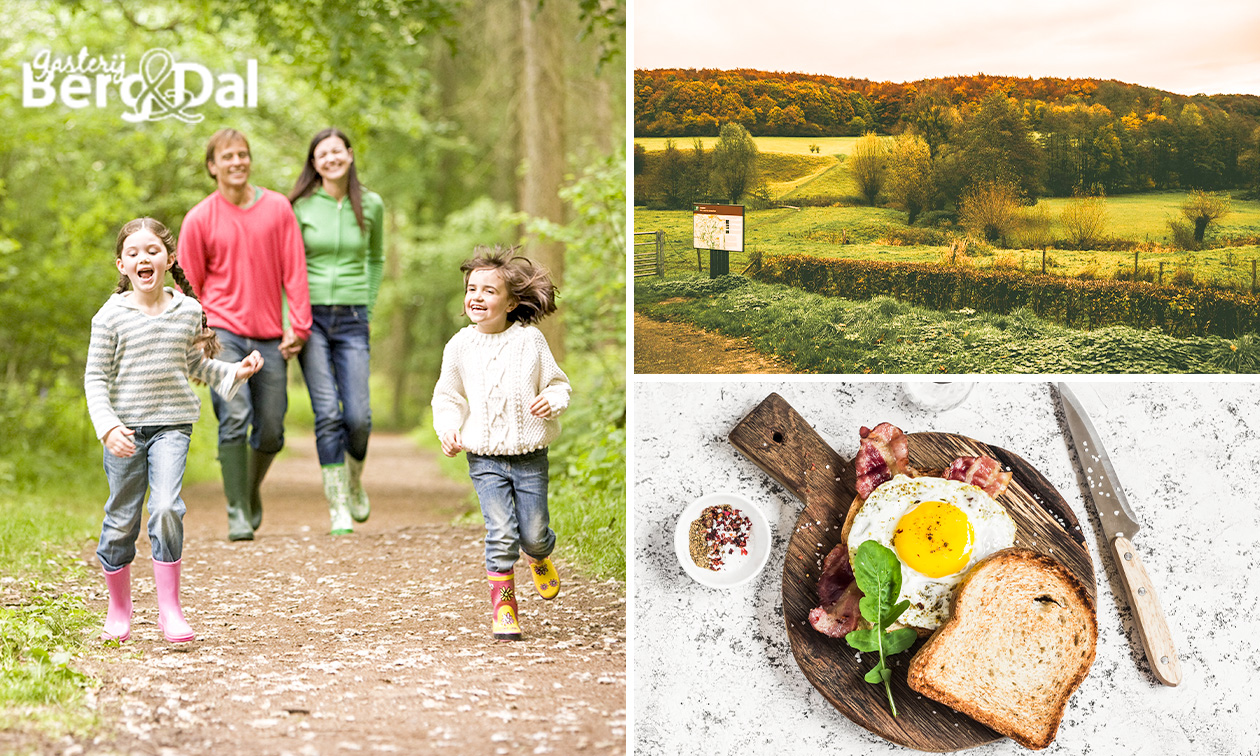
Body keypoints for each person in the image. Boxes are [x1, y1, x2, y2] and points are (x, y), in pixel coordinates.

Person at [86, 217, 263, 643]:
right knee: (121, 521)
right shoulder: (109, 317)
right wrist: (108, 427)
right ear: (121, 265)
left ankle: (170, 609)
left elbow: (194, 365)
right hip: (124, 431)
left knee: (166, 507)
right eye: (133, 253)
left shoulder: (187, 310)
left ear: (167, 259)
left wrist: (234, 372)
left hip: (172, 426)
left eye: (152, 250)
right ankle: (119, 607)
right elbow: (95, 377)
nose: (143, 258)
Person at [177, 128, 312, 541]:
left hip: (270, 334)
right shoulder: (200, 218)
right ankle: (236, 510)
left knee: (271, 427)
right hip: (223, 334)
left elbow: (295, 269)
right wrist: (197, 339)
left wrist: (299, 326)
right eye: (228, 156)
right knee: (235, 417)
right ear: (212, 166)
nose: (237, 162)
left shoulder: (277, 208)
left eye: (243, 154)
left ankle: (248, 490)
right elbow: (188, 286)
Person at [432, 247, 570, 641]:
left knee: (533, 534)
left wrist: (553, 402)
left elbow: (558, 384)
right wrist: (448, 428)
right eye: (471, 288)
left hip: (530, 456)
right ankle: (504, 606)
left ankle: (539, 555)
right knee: (501, 532)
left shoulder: (530, 342)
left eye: (488, 290)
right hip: (484, 457)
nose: (476, 296)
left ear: (511, 302)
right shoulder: (459, 346)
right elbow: (448, 397)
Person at [287, 128, 385, 535]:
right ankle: (338, 505)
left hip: (353, 318)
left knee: (358, 416)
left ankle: (354, 479)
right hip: (311, 320)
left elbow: (376, 258)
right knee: (327, 412)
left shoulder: (372, 204)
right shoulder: (301, 207)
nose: (330, 158)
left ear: (349, 154)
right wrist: (290, 319)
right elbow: (288, 266)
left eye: (336, 151)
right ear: (314, 163)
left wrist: (368, 301)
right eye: (321, 154)